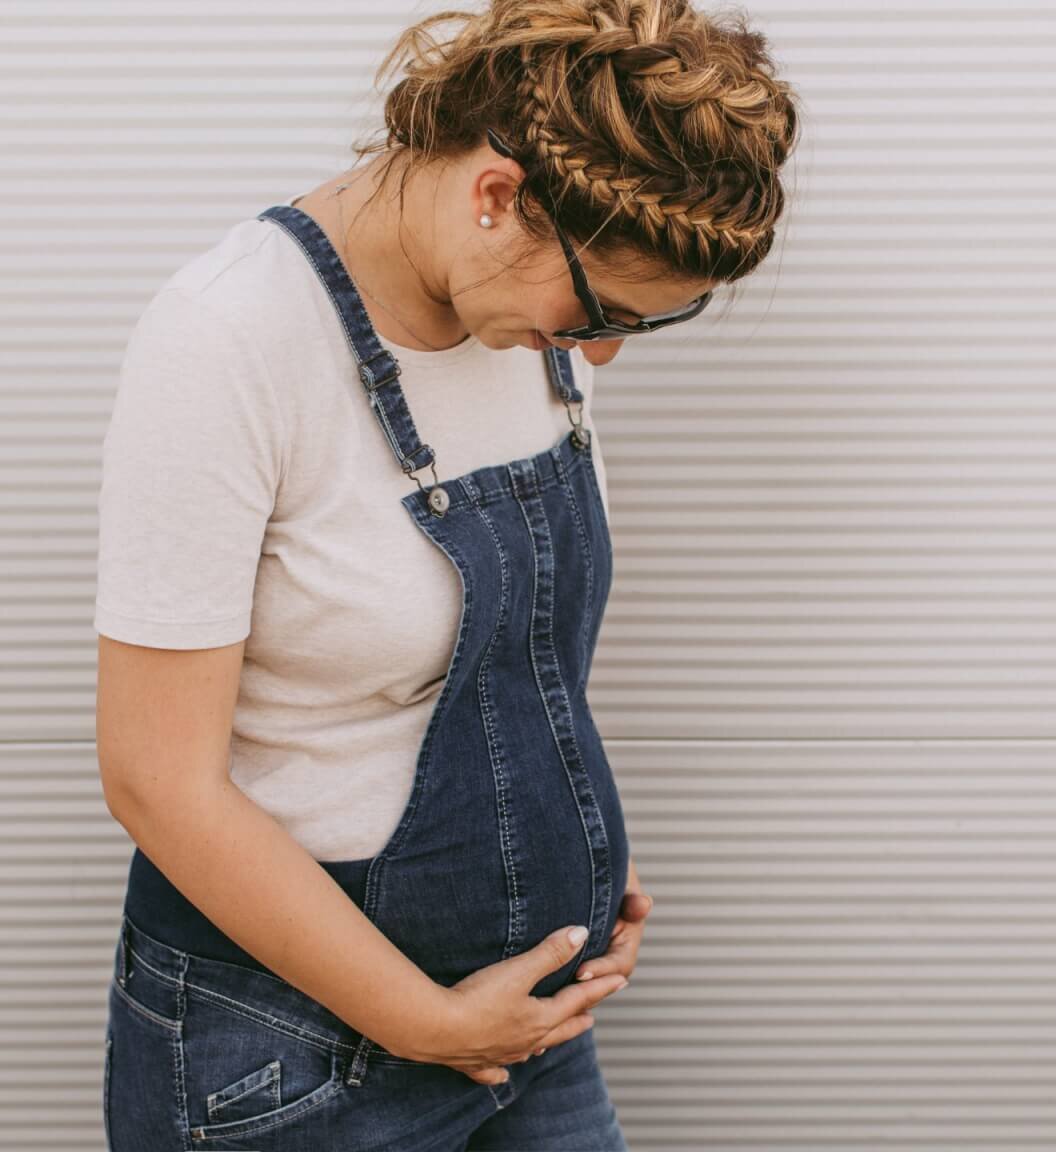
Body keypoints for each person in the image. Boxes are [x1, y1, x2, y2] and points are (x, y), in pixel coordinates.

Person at [94, 0, 799, 1146]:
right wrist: (420, 1020)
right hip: (286, 1054)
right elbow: (153, 780)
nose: (603, 351)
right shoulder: (226, 342)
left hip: (520, 1013)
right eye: (605, 308)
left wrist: (564, 845)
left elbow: (498, 658)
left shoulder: (523, 315)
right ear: (497, 198)